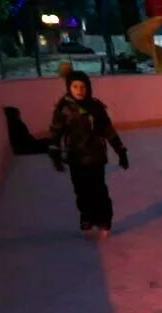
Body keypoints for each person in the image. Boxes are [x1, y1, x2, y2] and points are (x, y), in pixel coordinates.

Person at [48, 70, 129, 240]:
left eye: (83, 86)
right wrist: (54, 151)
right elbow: (56, 131)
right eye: (75, 86)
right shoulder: (64, 108)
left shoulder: (96, 107)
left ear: (88, 87)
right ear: (69, 88)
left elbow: (108, 130)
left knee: (98, 189)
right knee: (81, 190)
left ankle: (104, 220)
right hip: (75, 156)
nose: (79, 90)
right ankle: (86, 216)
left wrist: (120, 150)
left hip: (95, 155)